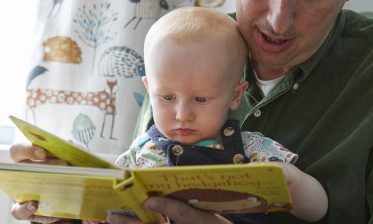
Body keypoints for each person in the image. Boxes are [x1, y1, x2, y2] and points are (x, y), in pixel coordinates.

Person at [10, 0, 373, 224]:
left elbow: (308, 199)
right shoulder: (182, 46)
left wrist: (292, 183)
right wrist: (66, 199)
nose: (279, 20)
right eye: (167, 98)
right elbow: (123, 189)